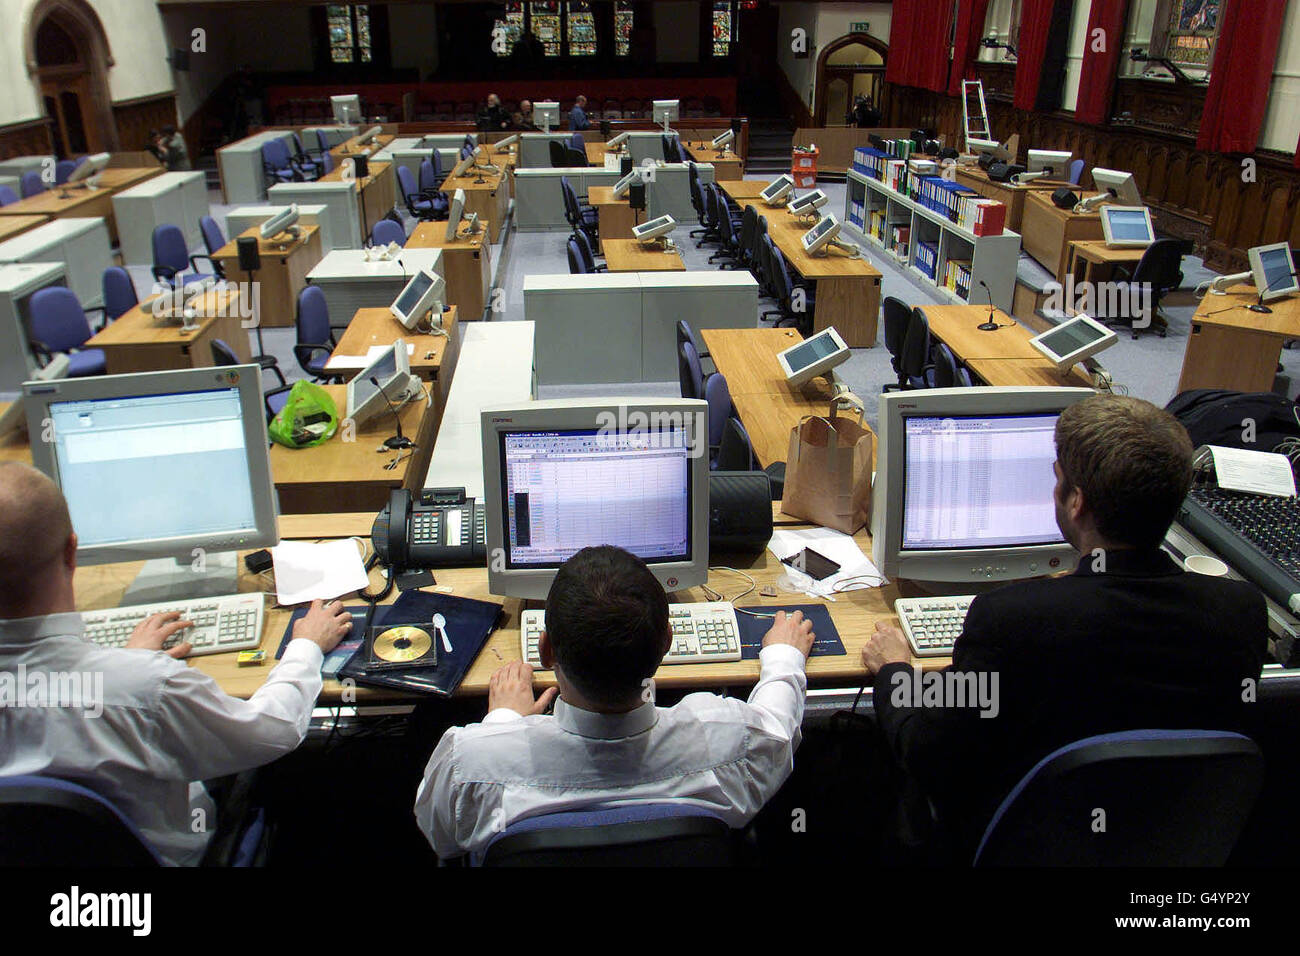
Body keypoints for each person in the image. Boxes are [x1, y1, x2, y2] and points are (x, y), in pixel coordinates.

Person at [860, 394, 1268, 859]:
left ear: (1075, 502)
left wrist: (895, 670)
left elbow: (926, 752)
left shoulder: (1013, 619)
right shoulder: (1240, 610)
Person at [0, 462, 352, 865]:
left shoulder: (133, 681)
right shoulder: (145, 687)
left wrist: (126, 664)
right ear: (71, 550)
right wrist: (305, 645)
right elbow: (274, 732)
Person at [415, 545, 814, 859]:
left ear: (546, 651)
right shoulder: (733, 742)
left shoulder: (468, 764)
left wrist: (503, 723)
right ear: (667, 645)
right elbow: (779, 726)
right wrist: (784, 656)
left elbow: (442, 840)